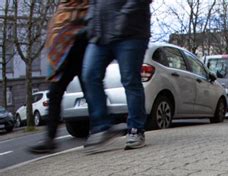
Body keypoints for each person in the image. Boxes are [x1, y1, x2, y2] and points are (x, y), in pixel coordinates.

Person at [83, 0, 152, 150]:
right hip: (100, 34)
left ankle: (136, 129)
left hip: (131, 32)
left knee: (130, 79)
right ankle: (102, 126)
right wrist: (90, 21)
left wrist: (123, 16)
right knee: (89, 74)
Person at [29, 0, 89, 154]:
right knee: (55, 94)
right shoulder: (63, 4)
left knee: (89, 89)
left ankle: (99, 129)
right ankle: (50, 139)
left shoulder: (85, 5)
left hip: (80, 45)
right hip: (63, 52)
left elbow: (89, 14)